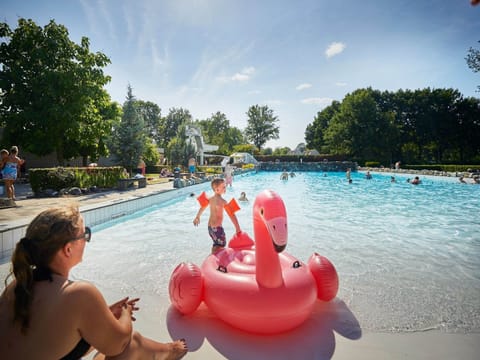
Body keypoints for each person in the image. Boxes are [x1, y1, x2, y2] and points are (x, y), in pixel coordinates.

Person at [0, 205, 188, 360]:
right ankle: (169, 352)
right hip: (122, 341)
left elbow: (57, 341)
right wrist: (124, 314)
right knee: (131, 344)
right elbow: (119, 343)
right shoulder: (78, 294)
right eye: (85, 234)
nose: (87, 240)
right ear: (67, 249)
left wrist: (104, 314)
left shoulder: (17, 286)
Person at [193, 178, 242, 254]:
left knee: (216, 244)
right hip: (217, 228)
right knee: (222, 244)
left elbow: (202, 207)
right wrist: (237, 227)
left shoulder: (210, 199)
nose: (225, 188)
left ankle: (212, 258)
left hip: (210, 228)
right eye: (223, 187)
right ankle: (217, 261)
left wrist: (197, 217)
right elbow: (231, 215)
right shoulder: (223, 202)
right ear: (217, 189)